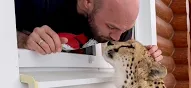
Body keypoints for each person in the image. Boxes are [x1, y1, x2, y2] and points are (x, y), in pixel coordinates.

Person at [14, 0, 163, 61]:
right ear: (88, 2)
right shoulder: (36, 5)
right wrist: (23, 40)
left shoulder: (118, 24)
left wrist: (141, 55)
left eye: (125, 29)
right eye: (111, 27)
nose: (117, 37)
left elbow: (120, 46)